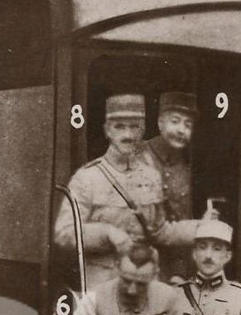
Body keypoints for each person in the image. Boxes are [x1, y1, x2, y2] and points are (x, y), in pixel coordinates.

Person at [52, 94, 197, 290]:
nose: (127, 135)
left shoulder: (151, 176)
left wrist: (201, 229)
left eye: (134, 127)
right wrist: (107, 233)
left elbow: (159, 231)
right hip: (104, 284)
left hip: (144, 282)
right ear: (107, 130)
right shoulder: (87, 178)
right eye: (119, 127)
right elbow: (64, 234)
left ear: (143, 130)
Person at [141, 90, 197, 279]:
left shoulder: (185, 168)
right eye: (175, 121)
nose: (181, 130)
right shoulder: (138, 156)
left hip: (165, 271)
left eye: (188, 125)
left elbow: (180, 219)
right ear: (160, 123)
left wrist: (178, 274)